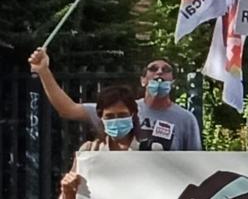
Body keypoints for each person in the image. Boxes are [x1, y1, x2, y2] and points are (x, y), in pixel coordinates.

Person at [28, 48, 202, 150]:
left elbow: (195, 164)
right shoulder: (120, 109)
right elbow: (68, 109)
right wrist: (43, 71)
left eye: (165, 70)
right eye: (153, 69)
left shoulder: (186, 119)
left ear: (173, 81)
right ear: (142, 80)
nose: (159, 73)